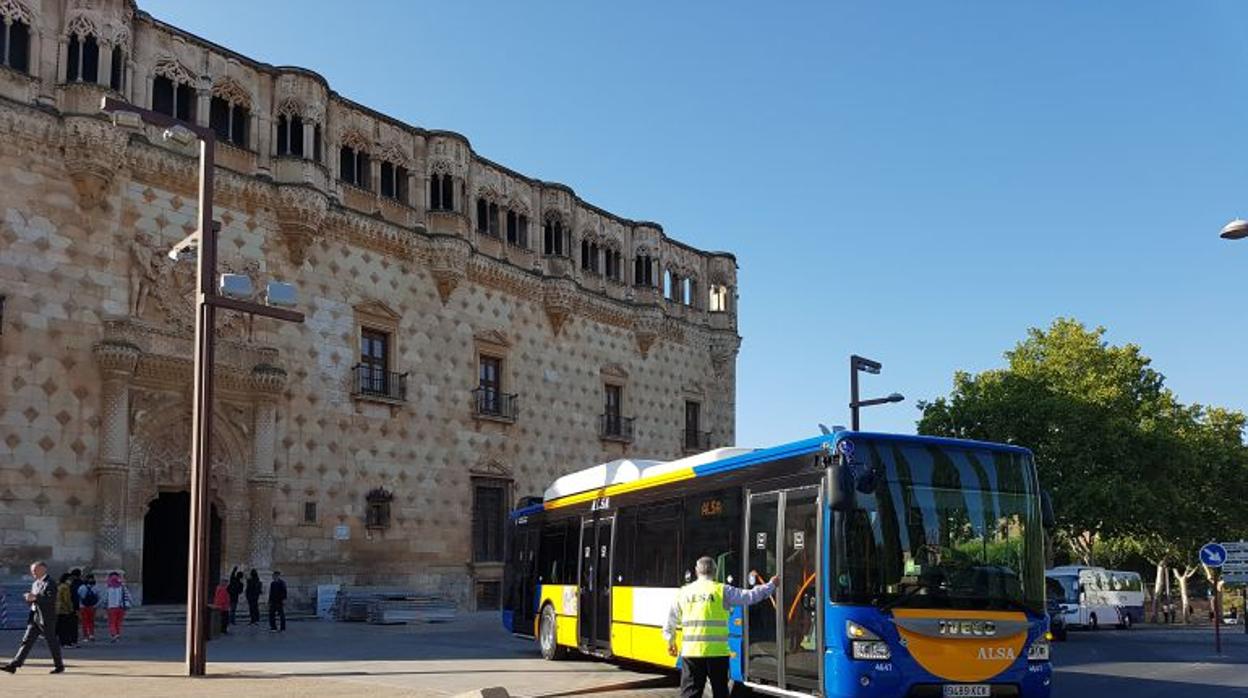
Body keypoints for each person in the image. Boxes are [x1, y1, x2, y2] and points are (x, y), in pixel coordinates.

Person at [663, 557, 777, 698]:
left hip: (691, 653)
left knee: (690, 693)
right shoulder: (722, 591)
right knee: (720, 692)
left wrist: (670, 641)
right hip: (717, 653)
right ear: (715, 572)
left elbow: (670, 621)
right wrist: (771, 585)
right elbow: (749, 596)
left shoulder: (683, 592)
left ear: (696, 571)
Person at [2, 560, 66, 674]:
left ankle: (59, 665)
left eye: (35, 570)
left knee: (51, 641)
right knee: (26, 641)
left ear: (43, 569)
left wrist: (35, 597)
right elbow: (34, 600)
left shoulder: (50, 583)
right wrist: (29, 599)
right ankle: (14, 665)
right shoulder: (35, 583)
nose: (33, 572)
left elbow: (50, 599)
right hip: (35, 616)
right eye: (32, 570)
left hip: (46, 617)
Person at [102, 572, 133, 642]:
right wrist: (131, 603)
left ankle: (114, 634)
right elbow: (129, 596)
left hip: (111, 608)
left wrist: (104, 605)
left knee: (112, 622)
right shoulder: (122, 587)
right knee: (118, 622)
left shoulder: (109, 588)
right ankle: (118, 635)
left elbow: (105, 598)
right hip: (121, 607)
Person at [55, 573, 78, 650]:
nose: (71, 580)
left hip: (57, 609)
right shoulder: (65, 587)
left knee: (60, 627)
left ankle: (60, 642)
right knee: (65, 628)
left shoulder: (59, 586)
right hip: (64, 609)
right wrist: (70, 609)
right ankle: (65, 642)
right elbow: (67, 600)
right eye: (70, 579)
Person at [78, 575, 99, 643]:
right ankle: (91, 634)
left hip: (83, 607)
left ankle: (85, 636)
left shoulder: (81, 587)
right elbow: (99, 597)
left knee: (84, 622)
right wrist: (96, 605)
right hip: (92, 607)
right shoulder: (96, 588)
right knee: (91, 621)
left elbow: (79, 597)